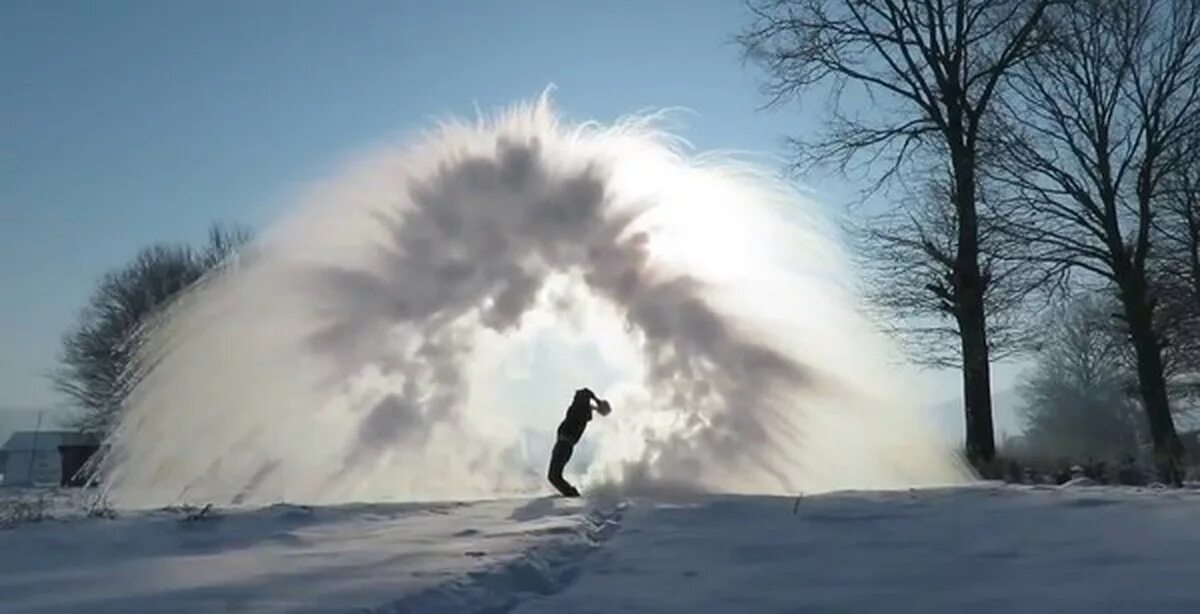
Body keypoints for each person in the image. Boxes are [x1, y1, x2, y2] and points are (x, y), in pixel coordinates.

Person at [548, 387, 610, 497]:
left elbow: (585, 392)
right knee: (554, 476)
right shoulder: (584, 410)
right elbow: (585, 396)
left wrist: (597, 401)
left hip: (564, 445)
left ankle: (572, 495)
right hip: (564, 445)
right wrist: (597, 406)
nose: (575, 396)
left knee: (554, 476)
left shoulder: (581, 408)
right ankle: (571, 494)